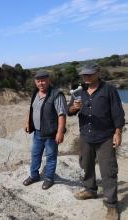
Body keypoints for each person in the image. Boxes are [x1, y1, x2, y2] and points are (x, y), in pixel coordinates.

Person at [68, 63, 125, 220]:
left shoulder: (109, 90)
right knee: (86, 164)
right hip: (86, 136)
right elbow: (69, 111)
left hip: (105, 136)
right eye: (84, 74)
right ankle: (90, 190)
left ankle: (112, 205)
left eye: (90, 74)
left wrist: (118, 132)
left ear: (98, 73)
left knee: (108, 171)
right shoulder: (79, 91)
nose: (86, 77)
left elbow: (118, 113)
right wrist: (74, 107)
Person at [23, 70, 67, 190]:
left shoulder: (56, 95)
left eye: (43, 80)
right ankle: (34, 176)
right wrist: (28, 122)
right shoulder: (35, 93)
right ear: (35, 82)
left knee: (51, 157)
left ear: (49, 80)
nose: (41, 83)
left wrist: (60, 132)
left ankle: (49, 178)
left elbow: (61, 115)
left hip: (51, 134)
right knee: (35, 155)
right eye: (38, 81)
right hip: (37, 133)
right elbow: (31, 109)